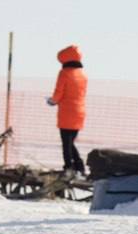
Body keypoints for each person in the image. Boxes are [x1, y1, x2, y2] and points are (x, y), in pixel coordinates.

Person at [47, 44, 88, 175]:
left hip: (67, 112)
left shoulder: (64, 73)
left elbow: (59, 92)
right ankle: (79, 166)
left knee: (66, 143)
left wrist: (52, 101)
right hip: (80, 112)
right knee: (70, 142)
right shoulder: (82, 75)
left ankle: (69, 167)